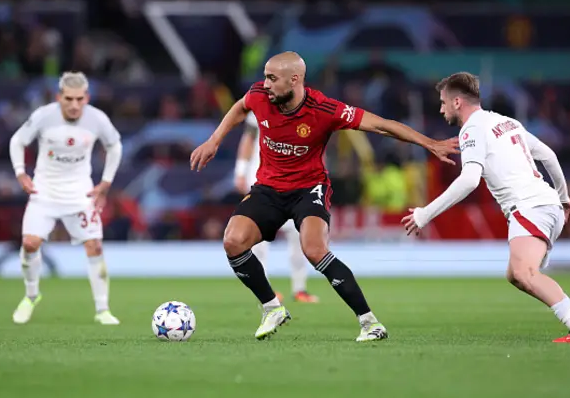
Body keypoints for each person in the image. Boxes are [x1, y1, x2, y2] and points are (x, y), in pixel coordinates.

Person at [190, 51, 459, 341]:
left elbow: (381, 125)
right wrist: (214, 140)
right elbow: (240, 107)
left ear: (294, 80)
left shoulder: (324, 109)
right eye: (265, 77)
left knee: (314, 249)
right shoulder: (259, 95)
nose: (265, 84)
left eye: (272, 78)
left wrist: (429, 143)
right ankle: (272, 307)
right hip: (268, 188)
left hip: (309, 189)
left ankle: (369, 322)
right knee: (233, 241)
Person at [402, 72, 570, 343]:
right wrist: (563, 196)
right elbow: (548, 155)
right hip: (547, 203)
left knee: (524, 272)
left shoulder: (471, 129)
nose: (441, 108)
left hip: (529, 206)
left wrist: (425, 213)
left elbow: (470, 180)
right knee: (515, 275)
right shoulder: (505, 121)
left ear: (457, 102)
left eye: (443, 102)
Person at [9, 72, 123, 325]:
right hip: (45, 191)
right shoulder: (43, 116)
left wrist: (105, 183)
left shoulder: (97, 119)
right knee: (30, 244)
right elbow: (17, 140)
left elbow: (115, 145)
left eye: (79, 99)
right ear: (59, 97)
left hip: (80, 193)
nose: (74, 105)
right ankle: (31, 295)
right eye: (68, 99)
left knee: (95, 246)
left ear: (87, 98)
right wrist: (20, 173)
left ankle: (103, 309)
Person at [234, 110, 319, 303]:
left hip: (293, 182)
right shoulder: (258, 108)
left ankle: (300, 288)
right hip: (260, 179)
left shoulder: (305, 110)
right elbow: (248, 139)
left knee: (299, 234)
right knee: (257, 239)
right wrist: (240, 171)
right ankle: (265, 291)